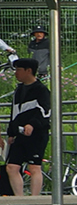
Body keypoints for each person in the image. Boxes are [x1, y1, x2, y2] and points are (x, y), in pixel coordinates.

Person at [6, 55, 51, 196]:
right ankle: (19, 199)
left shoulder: (41, 90)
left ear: (28, 71)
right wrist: (11, 133)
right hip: (19, 135)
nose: (16, 73)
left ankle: (34, 199)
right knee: (12, 167)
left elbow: (45, 111)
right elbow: (14, 113)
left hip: (36, 135)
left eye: (19, 70)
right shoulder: (18, 90)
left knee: (34, 167)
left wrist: (32, 124)